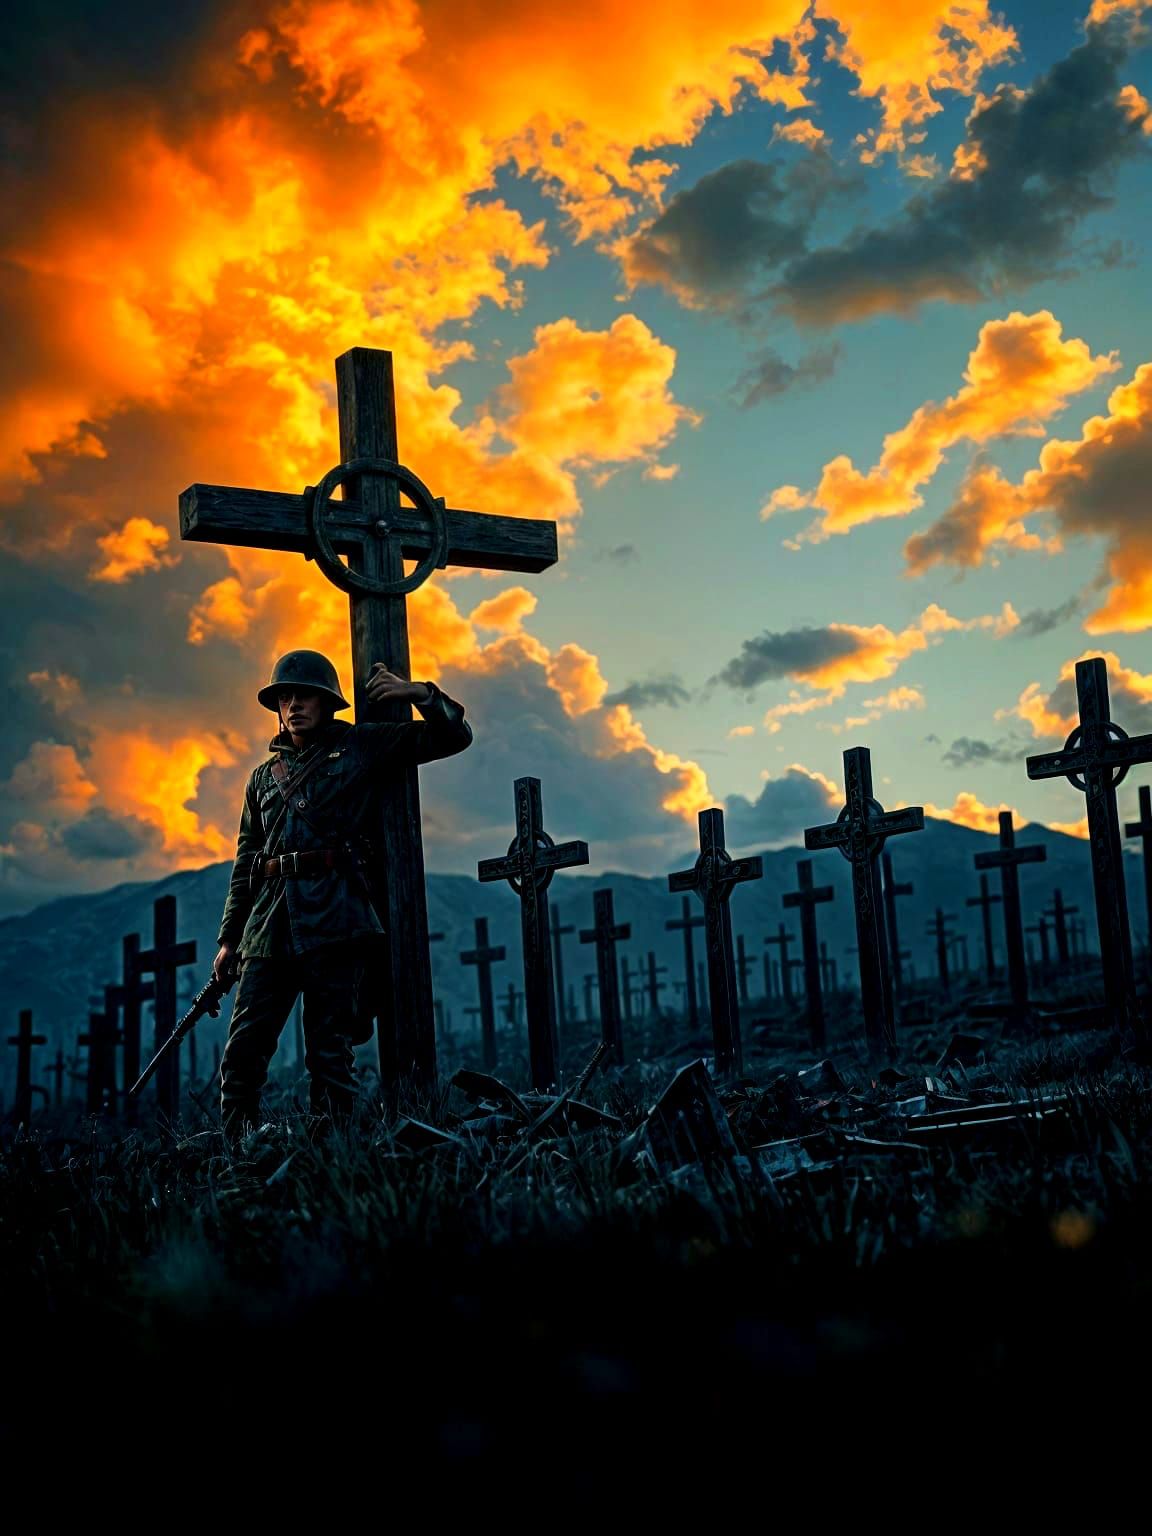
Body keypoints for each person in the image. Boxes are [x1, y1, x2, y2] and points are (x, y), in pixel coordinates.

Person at [213, 649, 472, 1138]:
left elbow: (453, 736)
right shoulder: (262, 779)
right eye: (285, 696)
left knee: (329, 1053)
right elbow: (246, 862)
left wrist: (418, 694)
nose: (294, 705)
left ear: (328, 701)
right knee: (243, 1051)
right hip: (268, 928)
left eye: (305, 695)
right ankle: (240, 1153)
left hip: (336, 920)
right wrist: (230, 939)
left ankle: (334, 1150)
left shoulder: (360, 746)